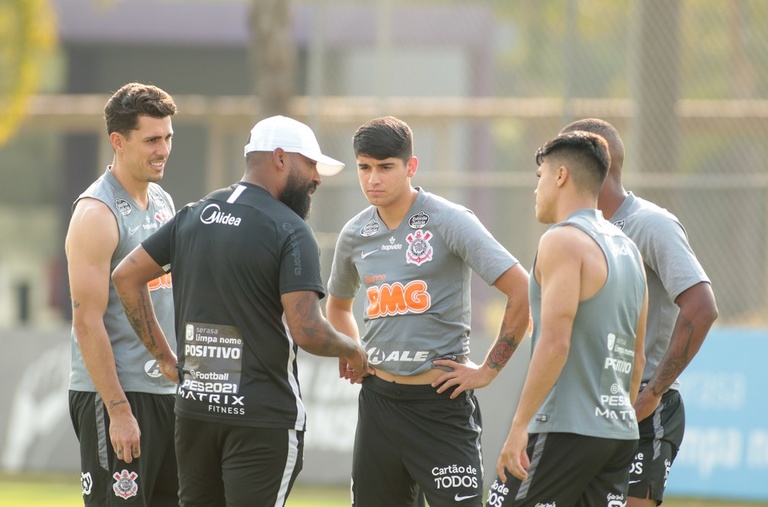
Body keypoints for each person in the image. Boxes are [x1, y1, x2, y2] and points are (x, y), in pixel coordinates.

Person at [111, 115, 370, 507]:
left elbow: (126, 276)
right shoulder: (290, 229)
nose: (317, 178)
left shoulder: (194, 215)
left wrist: (165, 359)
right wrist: (352, 349)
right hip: (261, 420)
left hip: (195, 411)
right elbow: (307, 330)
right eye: (311, 165)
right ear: (281, 158)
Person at [326, 116, 530, 506]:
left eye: (386, 167)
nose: (373, 179)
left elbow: (521, 291)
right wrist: (351, 350)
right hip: (378, 406)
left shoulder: (448, 220)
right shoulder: (354, 234)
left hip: (441, 407)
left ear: (411, 167)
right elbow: (337, 306)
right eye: (364, 168)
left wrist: (488, 370)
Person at [560, 118, 718, 506]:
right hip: (584, 408)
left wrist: (652, 392)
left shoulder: (651, 224)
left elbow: (701, 308)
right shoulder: (574, 232)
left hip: (641, 411)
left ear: (597, 161)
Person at [486, 131, 649, 506]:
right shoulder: (629, 249)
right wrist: (616, 418)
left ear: (560, 176)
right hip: (617, 432)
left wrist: (519, 425)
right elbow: (636, 358)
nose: (536, 189)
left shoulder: (562, 240)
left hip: (563, 428)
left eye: (539, 176)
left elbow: (556, 341)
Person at [65, 82, 179, 506]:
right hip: (117, 396)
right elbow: (86, 321)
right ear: (118, 141)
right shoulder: (96, 213)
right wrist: (117, 410)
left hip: (164, 394)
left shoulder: (164, 202)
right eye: (151, 139)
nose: (163, 149)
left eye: (167, 137)